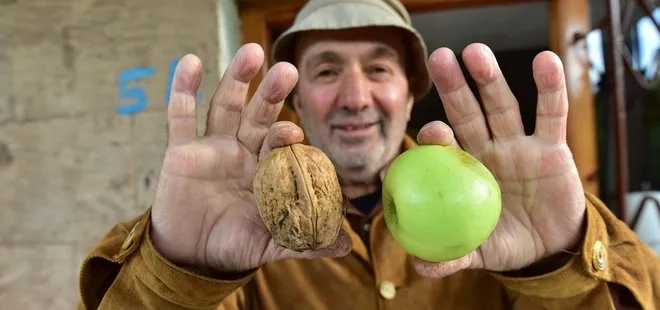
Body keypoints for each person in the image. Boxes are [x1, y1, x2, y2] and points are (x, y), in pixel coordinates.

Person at [77, 0, 660, 309]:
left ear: (410, 92)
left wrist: (558, 266)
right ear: (298, 99)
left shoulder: (502, 216)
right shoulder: (248, 227)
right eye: (327, 70)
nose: (355, 97)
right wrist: (180, 273)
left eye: (379, 68)